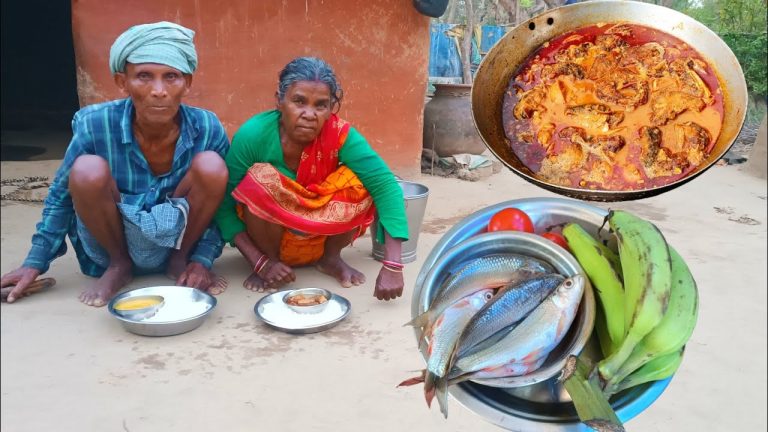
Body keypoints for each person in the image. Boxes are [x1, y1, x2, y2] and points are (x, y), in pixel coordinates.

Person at [0, 21, 230, 306]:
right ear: (122, 82)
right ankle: (118, 266)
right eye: (144, 76)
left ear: (187, 83)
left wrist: (201, 259)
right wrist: (35, 262)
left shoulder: (206, 126)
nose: (159, 90)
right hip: (110, 240)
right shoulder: (94, 124)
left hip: (178, 238)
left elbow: (225, 202)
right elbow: (60, 195)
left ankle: (178, 261)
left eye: (171, 76)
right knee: (86, 170)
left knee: (213, 166)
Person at [214, 57, 408, 301]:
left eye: (321, 105)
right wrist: (258, 260)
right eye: (299, 101)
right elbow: (223, 206)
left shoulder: (340, 135)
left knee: (360, 182)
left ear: (330, 109)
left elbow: (385, 186)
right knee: (260, 179)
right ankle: (271, 264)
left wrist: (393, 264)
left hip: (319, 234)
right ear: (279, 101)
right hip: (268, 237)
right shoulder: (254, 135)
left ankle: (330, 258)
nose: (309, 114)